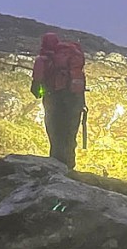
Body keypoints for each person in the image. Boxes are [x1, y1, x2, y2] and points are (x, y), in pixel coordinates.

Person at [31, 32, 86, 168]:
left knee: (56, 133)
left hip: (54, 99)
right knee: (70, 134)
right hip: (75, 100)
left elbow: (36, 89)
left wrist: (42, 90)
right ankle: (70, 166)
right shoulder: (70, 59)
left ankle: (56, 165)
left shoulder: (42, 60)